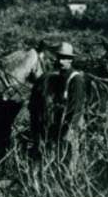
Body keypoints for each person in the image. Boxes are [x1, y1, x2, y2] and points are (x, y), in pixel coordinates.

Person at [28, 41, 85, 170]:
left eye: (64, 58)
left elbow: (76, 107)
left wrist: (69, 129)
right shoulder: (59, 76)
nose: (60, 61)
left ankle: (69, 185)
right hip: (58, 122)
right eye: (59, 57)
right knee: (54, 157)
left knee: (68, 160)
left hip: (70, 124)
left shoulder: (75, 79)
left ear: (70, 60)